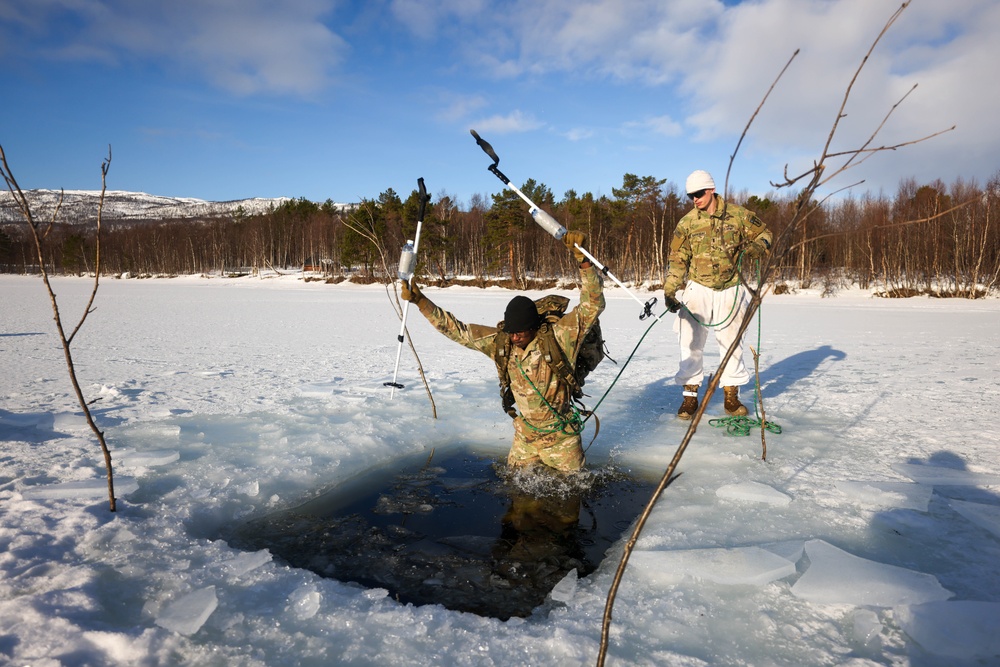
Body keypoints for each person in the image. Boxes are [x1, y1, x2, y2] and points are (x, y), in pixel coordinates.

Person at [400, 231, 604, 472]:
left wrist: (583, 260)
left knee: (570, 498)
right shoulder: (502, 342)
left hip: (561, 438)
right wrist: (421, 301)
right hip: (525, 437)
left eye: (520, 332)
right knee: (516, 495)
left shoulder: (560, 337)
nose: (514, 337)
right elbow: (458, 330)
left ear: (534, 328)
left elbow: (593, 303)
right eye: (511, 331)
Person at [662, 170, 772, 420]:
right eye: (691, 195)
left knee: (732, 342)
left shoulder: (738, 215)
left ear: (711, 190)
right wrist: (670, 289)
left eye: (699, 194)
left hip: (731, 288)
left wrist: (757, 246)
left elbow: (765, 234)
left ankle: (731, 398)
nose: (695, 199)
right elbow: (678, 258)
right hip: (698, 287)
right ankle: (690, 399)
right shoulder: (687, 222)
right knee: (689, 341)